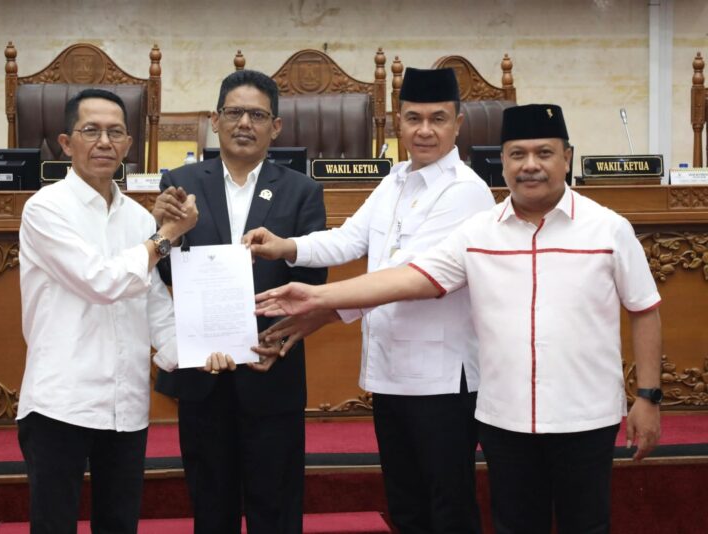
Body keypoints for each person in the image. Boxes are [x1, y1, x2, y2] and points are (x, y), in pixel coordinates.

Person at [255, 104, 663, 534]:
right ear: (501, 161)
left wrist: (648, 396)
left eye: (544, 153)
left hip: (586, 417)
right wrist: (317, 296)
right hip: (505, 419)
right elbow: (409, 279)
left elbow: (644, 309)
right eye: (517, 154)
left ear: (567, 157)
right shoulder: (478, 233)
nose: (530, 165)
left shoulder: (608, 229)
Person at [244, 67, 494, 533]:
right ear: (398, 121)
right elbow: (348, 239)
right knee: (407, 507)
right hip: (391, 373)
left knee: (449, 509)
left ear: (458, 124)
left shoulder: (465, 191)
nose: (424, 130)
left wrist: (319, 299)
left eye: (437, 119)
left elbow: (411, 278)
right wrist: (286, 246)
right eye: (413, 118)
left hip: (441, 381)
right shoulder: (396, 179)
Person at [17, 88, 234, 534]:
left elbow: (155, 307)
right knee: (53, 524)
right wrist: (166, 236)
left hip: (126, 403)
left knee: (119, 523)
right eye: (91, 131)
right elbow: (101, 282)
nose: (104, 142)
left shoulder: (138, 220)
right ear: (66, 143)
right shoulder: (44, 209)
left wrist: (199, 352)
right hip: (61, 400)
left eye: (115, 132)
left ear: (129, 145)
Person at [153, 70, 327, 534]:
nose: (244, 123)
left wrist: (279, 339)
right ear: (215, 120)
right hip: (203, 376)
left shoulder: (302, 191)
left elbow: (313, 281)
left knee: (276, 510)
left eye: (257, 115)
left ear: (276, 127)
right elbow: (165, 273)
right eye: (234, 112)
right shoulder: (180, 183)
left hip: (271, 372)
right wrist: (168, 235)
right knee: (212, 509)